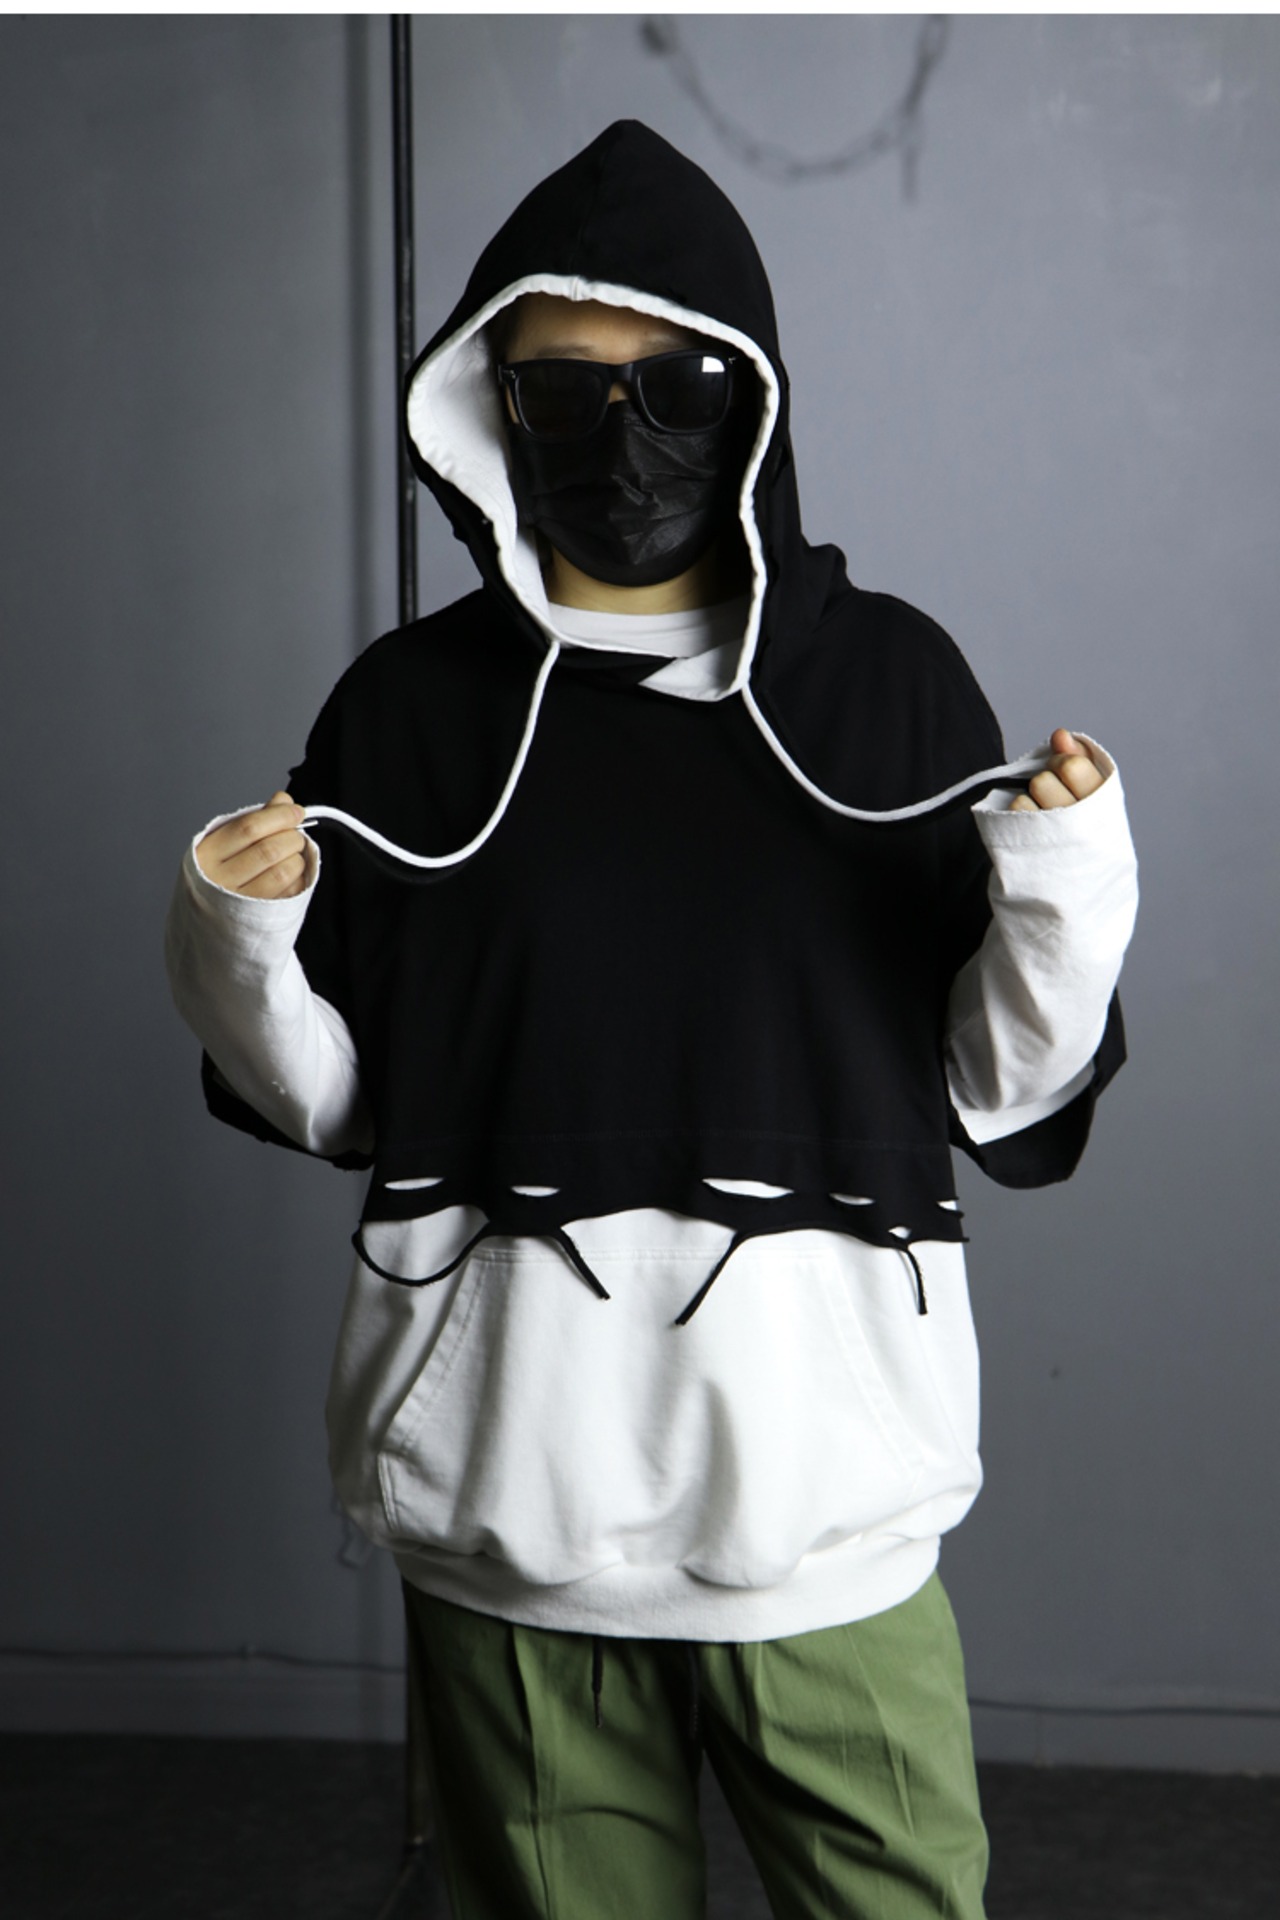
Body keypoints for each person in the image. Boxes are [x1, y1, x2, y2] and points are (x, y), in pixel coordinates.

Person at [165, 122, 1137, 1919]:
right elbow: (341, 1104)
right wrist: (235, 936)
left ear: (750, 395)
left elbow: (1006, 1087)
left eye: (676, 385)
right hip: (508, 1512)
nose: (622, 437)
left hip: (824, 1517)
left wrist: (1072, 881)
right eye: (562, 390)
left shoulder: (889, 684)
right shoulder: (410, 717)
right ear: (489, 406)